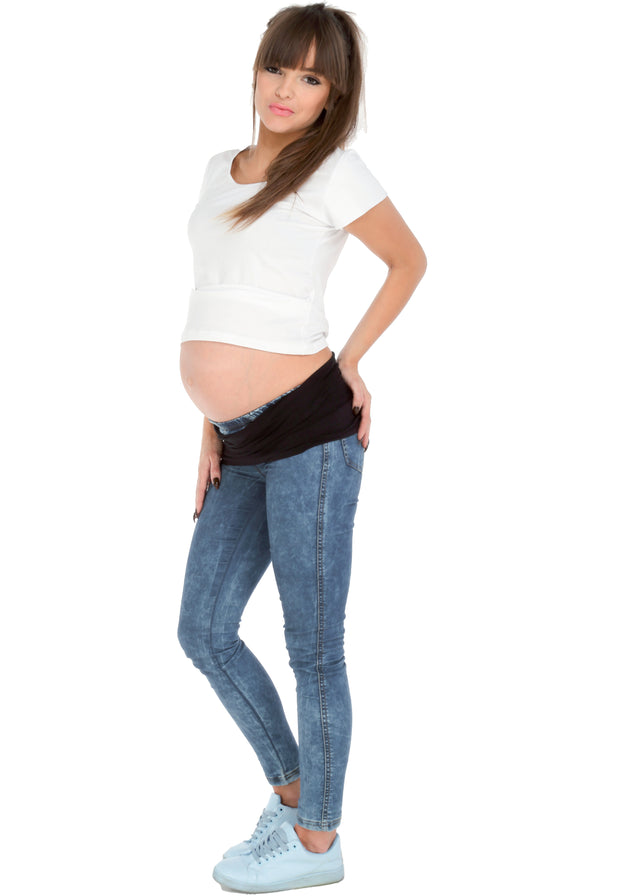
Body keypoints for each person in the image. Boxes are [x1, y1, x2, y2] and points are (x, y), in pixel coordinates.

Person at [177, 3, 427, 892]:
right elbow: (221, 295)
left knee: (312, 643)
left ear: (333, 95)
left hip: (311, 433)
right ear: (256, 70)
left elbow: (409, 261)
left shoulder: (334, 171)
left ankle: (319, 842)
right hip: (237, 442)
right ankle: (295, 795)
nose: (287, 89)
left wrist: (350, 362)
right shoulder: (219, 168)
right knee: (203, 630)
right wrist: (209, 423)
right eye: (278, 67)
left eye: (312, 77)